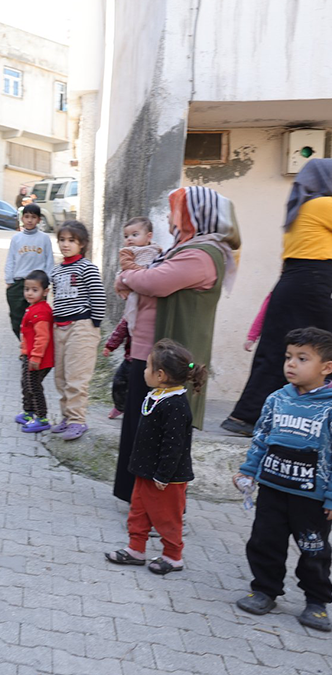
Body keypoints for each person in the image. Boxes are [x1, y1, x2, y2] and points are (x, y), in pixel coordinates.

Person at [112, 186, 240, 502]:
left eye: (176, 210)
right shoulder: (184, 249)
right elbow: (143, 277)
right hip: (150, 353)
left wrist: (128, 278)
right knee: (140, 429)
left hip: (167, 363)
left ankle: (154, 507)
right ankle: (137, 501)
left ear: (195, 215)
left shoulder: (201, 254)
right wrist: (132, 277)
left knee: (156, 434)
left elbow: (153, 281)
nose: (170, 217)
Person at [232, 327, 332, 633]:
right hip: (273, 489)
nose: (291, 364)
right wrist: (248, 470)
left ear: (326, 367)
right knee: (264, 542)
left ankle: (316, 601)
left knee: (314, 550)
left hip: (312, 498)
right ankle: (265, 590)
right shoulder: (276, 399)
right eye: (288, 357)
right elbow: (261, 438)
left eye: (303, 358)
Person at [223, 159, 332, 436]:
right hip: (314, 283)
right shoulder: (322, 205)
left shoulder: (299, 209)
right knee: (325, 348)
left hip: (293, 283)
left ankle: (245, 417)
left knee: (274, 351)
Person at [105, 339, 205, 575]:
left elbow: (175, 445)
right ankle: (136, 549)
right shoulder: (157, 395)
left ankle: (173, 556)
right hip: (146, 471)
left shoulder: (176, 406)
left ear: (160, 375)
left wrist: (164, 474)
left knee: (167, 518)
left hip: (166, 478)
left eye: (148, 367)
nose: (144, 370)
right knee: (138, 512)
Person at [48, 221, 106, 441]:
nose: (65, 244)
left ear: (82, 244)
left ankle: (77, 420)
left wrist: (94, 325)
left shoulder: (87, 267)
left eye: (71, 240)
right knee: (61, 377)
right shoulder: (56, 270)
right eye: (62, 240)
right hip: (60, 327)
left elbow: (99, 298)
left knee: (77, 377)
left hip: (81, 326)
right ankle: (66, 417)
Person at [102, 217, 162, 420]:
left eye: (134, 235)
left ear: (149, 236)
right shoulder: (127, 252)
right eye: (126, 236)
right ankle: (120, 405)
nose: (129, 239)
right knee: (120, 380)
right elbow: (126, 266)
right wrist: (144, 275)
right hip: (135, 298)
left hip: (148, 303)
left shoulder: (158, 252)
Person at [3, 202, 54, 336]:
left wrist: (47, 281)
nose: (30, 220)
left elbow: (49, 260)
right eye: (26, 216)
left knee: (37, 317)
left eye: (33, 217)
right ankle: (24, 344)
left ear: (39, 219)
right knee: (17, 318)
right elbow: (10, 259)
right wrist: (9, 281)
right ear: (22, 218)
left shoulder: (44, 238)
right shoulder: (16, 238)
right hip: (19, 283)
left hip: (38, 284)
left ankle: (33, 348)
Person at [15, 270, 54, 433]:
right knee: (26, 384)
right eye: (27, 289)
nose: (29, 293)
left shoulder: (42, 311)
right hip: (29, 356)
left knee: (34, 386)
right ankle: (29, 413)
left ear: (45, 292)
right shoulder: (33, 308)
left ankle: (42, 418)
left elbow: (42, 337)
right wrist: (24, 351)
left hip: (39, 359)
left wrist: (36, 356)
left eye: (34, 290)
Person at [103, 317, 132, 419]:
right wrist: (110, 346)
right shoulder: (131, 313)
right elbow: (121, 330)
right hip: (130, 358)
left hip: (149, 360)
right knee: (119, 382)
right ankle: (120, 407)